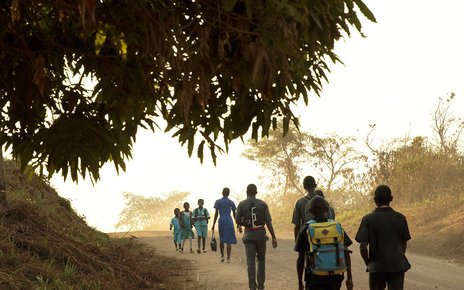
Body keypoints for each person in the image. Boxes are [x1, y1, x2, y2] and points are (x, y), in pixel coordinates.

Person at [355, 185, 411, 290]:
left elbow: (362, 247)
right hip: (397, 265)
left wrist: (368, 263)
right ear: (391, 199)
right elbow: (404, 243)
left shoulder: (368, 219)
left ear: (375, 200)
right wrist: (398, 255)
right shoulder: (401, 218)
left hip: (377, 267)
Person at [294, 196, 353, 290]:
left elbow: (300, 260)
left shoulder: (306, 229)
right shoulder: (337, 227)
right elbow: (346, 253)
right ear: (327, 209)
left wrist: (300, 283)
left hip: (314, 279)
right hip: (335, 278)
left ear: (310, 211)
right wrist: (349, 278)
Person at [236, 184, 278, 290]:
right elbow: (268, 222)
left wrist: (244, 223)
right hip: (260, 235)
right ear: (256, 192)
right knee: (261, 260)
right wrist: (273, 236)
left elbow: (237, 220)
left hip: (249, 234)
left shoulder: (241, 204)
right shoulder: (263, 204)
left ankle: (252, 286)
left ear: (247, 192)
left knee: (250, 261)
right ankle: (261, 286)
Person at [292, 176, 318, 290]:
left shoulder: (299, 202)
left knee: (301, 257)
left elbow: (297, 225)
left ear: (304, 187)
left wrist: (297, 241)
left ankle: (299, 283)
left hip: (306, 235)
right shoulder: (323, 200)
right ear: (315, 185)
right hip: (323, 235)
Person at [211, 187, 238, 262]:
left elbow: (216, 214)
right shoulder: (231, 202)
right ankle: (228, 258)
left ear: (222, 193)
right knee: (229, 240)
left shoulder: (218, 201)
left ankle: (222, 256)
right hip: (229, 221)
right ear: (228, 194)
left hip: (222, 221)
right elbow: (234, 214)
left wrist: (213, 224)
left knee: (222, 238)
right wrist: (237, 223)